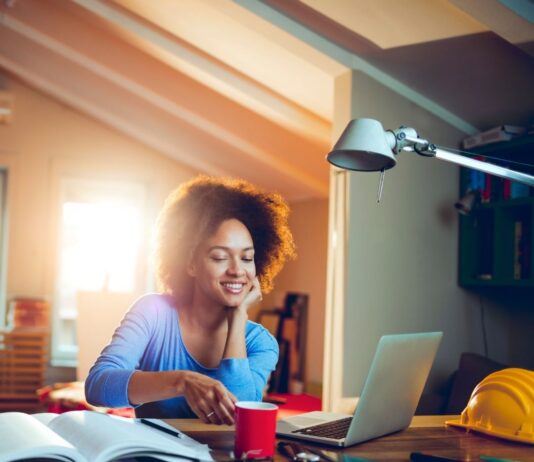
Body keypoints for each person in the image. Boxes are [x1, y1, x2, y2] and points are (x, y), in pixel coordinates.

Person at [85, 175, 296, 424]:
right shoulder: (153, 312)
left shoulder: (261, 343)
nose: (238, 270)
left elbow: (237, 416)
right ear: (191, 263)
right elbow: (97, 386)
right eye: (220, 257)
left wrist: (238, 319)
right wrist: (182, 382)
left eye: (247, 258)